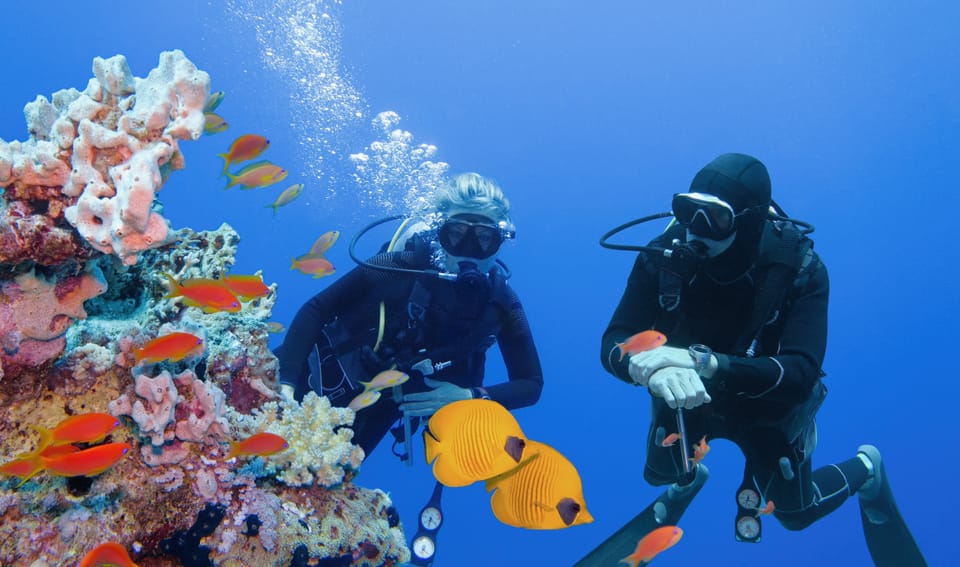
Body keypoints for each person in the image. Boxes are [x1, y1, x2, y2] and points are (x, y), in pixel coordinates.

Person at [598, 153, 924, 566]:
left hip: (767, 404)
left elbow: (802, 372)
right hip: (687, 392)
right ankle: (687, 476)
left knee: (795, 513)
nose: (694, 230)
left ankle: (867, 469)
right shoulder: (665, 255)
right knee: (659, 472)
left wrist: (706, 363)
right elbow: (615, 337)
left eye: (713, 218)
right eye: (686, 211)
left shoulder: (800, 268)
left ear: (749, 220)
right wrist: (640, 366)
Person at [274, 172, 543, 460]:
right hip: (313, 367)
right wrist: (286, 384)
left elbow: (530, 384)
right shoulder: (398, 266)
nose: (469, 251)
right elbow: (318, 309)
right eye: (455, 235)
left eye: (484, 238)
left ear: (500, 241)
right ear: (439, 233)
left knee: (321, 482)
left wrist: (470, 396)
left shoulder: (501, 302)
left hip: (380, 406)